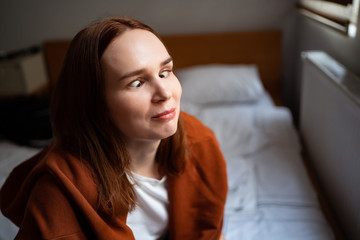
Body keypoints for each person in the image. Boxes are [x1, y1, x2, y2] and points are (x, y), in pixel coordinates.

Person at [0, 17, 228, 240]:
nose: (165, 93)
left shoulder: (199, 141)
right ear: (96, 103)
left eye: (165, 72)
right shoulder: (58, 194)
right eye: (137, 83)